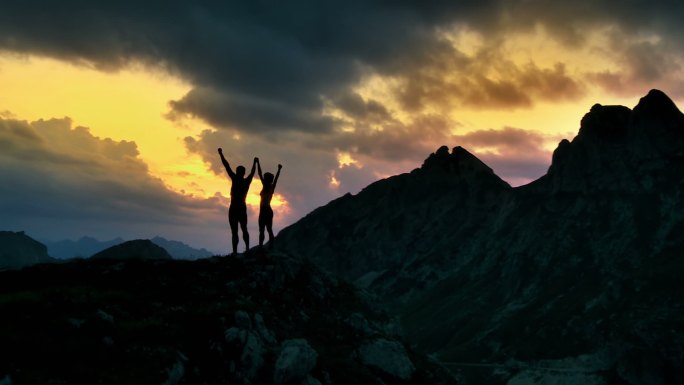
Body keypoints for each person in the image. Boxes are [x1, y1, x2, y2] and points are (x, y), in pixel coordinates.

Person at [218, 148, 257, 255]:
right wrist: (255, 163)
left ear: (240, 172)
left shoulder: (238, 179)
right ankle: (240, 250)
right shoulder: (243, 180)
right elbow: (227, 166)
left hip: (236, 207)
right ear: (243, 173)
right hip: (237, 207)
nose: (239, 173)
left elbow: (227, 166)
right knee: (239, 230)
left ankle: (241, 250)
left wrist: (221, 154)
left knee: (239, 230)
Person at [256, 159, 282, 248]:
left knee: (262, 230)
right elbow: (276, 178)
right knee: (268, 229)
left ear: (266, 179)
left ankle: (261, 246)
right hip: (268, 210)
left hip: (264, 210)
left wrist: (258, 163)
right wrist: (279, 170)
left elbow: (259, 174)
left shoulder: (266, 186)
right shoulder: (271, 187)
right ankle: (270, 246)